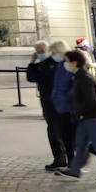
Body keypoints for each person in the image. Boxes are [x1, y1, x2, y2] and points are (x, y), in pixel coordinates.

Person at [55, 50, 96, 182]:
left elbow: (90, 100)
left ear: (75, 63)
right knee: (80, 144)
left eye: (68, 62)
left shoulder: (84, 78)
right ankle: (75, 170)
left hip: (92, 116)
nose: (66, 64)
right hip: (85, 116)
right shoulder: (78, 76)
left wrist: (80, 113)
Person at [27, 40, 70, 169]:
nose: (42, 53)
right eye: (38, 51)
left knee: (63, 132)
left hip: (61, 104)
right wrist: (32, 63)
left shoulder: (62, 64)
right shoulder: (45, 64)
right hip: (49, 104)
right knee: (54, 132)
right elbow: (31, 77)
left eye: (43, 51)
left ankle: (71, 160)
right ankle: (61, 159)